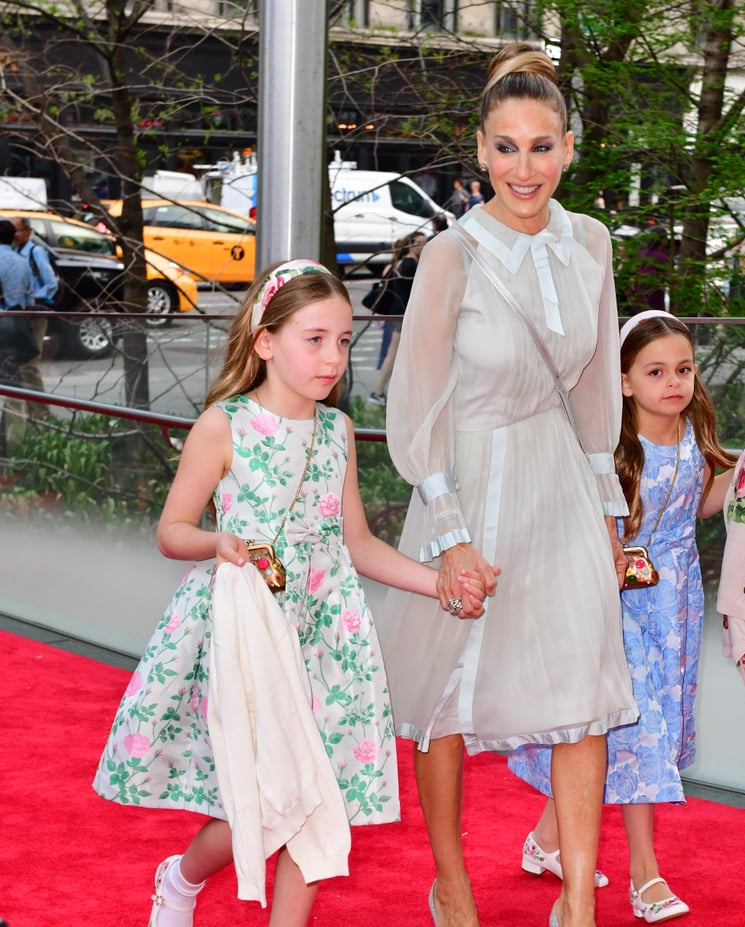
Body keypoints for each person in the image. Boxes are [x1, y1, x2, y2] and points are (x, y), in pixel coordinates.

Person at [93, 259, 488, 927]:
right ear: (266, 341)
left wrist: (442, 584)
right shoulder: (226, 424)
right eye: (315, 338)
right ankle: (182, 877)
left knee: (318, 795)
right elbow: (171, 530)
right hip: (250, 631)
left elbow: (357, 545)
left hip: (329, 633)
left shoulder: (335, 432)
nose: (333, 356)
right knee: (256, 797)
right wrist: (219, 543)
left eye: (343, 339)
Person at [377, 43, 636, 927]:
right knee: (449, 689)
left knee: (586, 684)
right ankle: (451, 877)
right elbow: (414, 403)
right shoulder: (452, 255)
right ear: (479, 151)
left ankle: (577, 901)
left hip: (562, 479)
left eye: (541, 146)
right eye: (505, 147)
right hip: (469, 480)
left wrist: (609, 506)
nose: (523, 168)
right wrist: (448, 532)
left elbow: (599, 384)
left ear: (570, 148)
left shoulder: (592, 242)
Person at [509, 309, 745, 923]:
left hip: (674, 597)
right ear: (625, 381)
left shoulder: (693, 433)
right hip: (615, 599)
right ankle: (645, 875)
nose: (673, 382)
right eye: (655, 371)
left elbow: (699, 508)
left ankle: (548, 840)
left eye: (683, 369)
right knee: (642, 730)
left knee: (623, 731)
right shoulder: (609, 444)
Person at [368, 231, 426, 406]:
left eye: (425, 243)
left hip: (400, 314)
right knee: (394, 355)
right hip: (403, 315)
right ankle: (378, 392)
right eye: (419, 243)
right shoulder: (410, 264)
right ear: (411, 245)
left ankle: (387, 393)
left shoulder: (401, 262)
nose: (423, 246)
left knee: (399, 354)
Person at [13, 217, 59, 417]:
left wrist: (32, 298)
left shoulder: (35, 252)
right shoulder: (12, 252)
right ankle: (27, 416)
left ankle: (42, 415)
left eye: (17, 230)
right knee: (17, 367)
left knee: (30, 364)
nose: (14, 235)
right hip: (19, 315)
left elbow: (51, 284)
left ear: (28, 232)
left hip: (34, 314)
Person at [0, 219, 34, 386]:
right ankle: (14, 411)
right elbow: (29, 301)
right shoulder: (22, 262)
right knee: (11, 376)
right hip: (16, 323)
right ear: (13, 237)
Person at [624, 226, 671, 316]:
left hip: (637, 300)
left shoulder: (640, 254)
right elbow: (670, 279)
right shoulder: (661, 257)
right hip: (654, 299)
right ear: (663, 240)